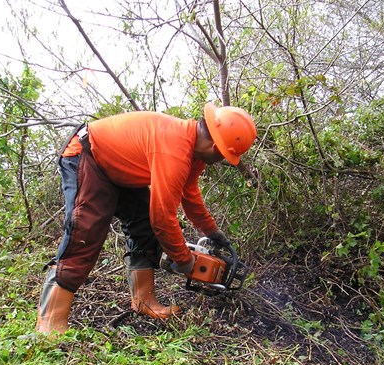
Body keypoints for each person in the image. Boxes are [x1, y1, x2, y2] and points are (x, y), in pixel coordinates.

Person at [36, 103, 257, 334]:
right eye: (224, 153)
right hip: (88, 155)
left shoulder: (194, 152)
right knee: (85, 231)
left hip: (120, 169)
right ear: (215, 146)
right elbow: (162, 219)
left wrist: (212, 232)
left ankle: (143, 301)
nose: (221, 157)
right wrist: (185, 261)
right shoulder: (175, 149)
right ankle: (49, 322)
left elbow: (189, 194)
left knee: (143, 225)